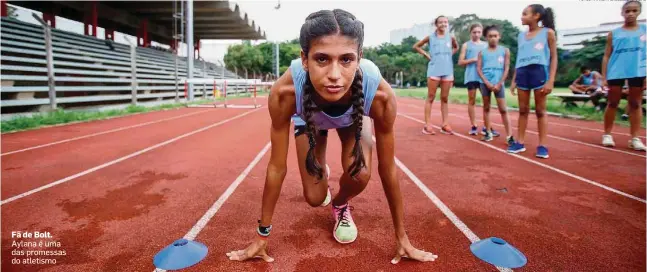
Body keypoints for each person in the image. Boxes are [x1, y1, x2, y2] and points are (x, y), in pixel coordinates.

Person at [226, 9, 438, 264]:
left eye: (346, 59)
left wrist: (402, 238)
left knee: (360, 174)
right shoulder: (285, 92)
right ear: (304, 59)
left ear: (359, 58)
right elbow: (276, 167)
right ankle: (320, 170)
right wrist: (262, 236)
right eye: (322, 59)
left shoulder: (380, 95)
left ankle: (340, 204)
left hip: (353, 119)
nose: (335, 74)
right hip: (311, 119)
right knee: (314, 198)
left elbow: (388, 168)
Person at [507, 4, 558, 159]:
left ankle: (542, 145)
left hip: (539, 71)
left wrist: (551, 80)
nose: (522, 17)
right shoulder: (521, 36)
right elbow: (520, 58)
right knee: (523, 110)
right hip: (523, 72)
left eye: (525, 14)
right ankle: (520, 142)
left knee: (540, 111)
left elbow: (554, 57)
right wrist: (514, 79)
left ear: (536, 16)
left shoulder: (547, 33)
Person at [600, 0, 646, 151]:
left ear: (639, 12)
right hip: (616, 71)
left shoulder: (644, 31)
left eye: (634, 10)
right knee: (613, 102)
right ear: (622, 13)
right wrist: (604, 76)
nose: (631, 14)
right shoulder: (614, 33)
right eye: (628, 11)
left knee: (635, 103)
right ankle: (607, 134)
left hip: (638, 71)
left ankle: (635, 138)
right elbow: (607, 55)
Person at [413, 15, 459, 135]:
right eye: (441, 22)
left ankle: (445, 124)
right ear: (436, 24)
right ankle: (427, 124)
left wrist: (449, 55)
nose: (443, 24)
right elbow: (416, 46)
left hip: (448, 70)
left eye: (445, 22)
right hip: (434, 70)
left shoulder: (450, 37)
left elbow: (456, 47)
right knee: (431, 97)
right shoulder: (431, 37)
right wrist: (426, 55)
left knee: (444, 98)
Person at [477, 25, 514, 145]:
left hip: (499, 83)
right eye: (490, 36)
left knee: (503, 109)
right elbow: (479, 69)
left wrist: (499, 83)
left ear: (499, 37)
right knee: (486, 108)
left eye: (495, 36)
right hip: (485, 83)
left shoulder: (504, 51)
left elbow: (506, 68)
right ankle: (488, 132)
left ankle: (509, 136)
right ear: (486, 38)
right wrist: (486, 82)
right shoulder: (482, 52)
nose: (493, 38)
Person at [458, 23, 488, 135]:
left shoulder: (486, 45)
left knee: (486, 101)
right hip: (471, 76)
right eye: (474, 32)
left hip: (483, 76)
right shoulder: (466, 45)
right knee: (472, 100)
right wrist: (473, 59)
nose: (476, 34)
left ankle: (487, 125)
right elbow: (460, 62)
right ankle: (474, 125)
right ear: (470, 33)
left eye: (479, 32)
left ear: (482, 33)